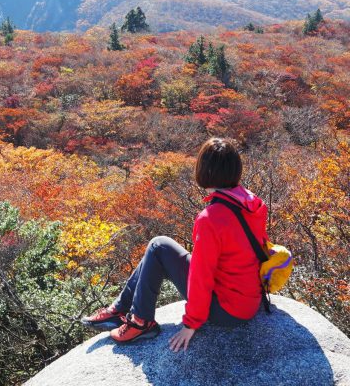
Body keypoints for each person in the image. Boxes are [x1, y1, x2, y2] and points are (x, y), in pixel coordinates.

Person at [81, 137, 269, 352]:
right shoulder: (252, 202)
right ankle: (120, 309)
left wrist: (191, 323)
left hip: (226, 311)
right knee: (158, 246)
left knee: (158, 246)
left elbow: (201, 275)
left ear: (203, 170)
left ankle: (140, 322)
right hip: (247, 300)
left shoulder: (211, 218)